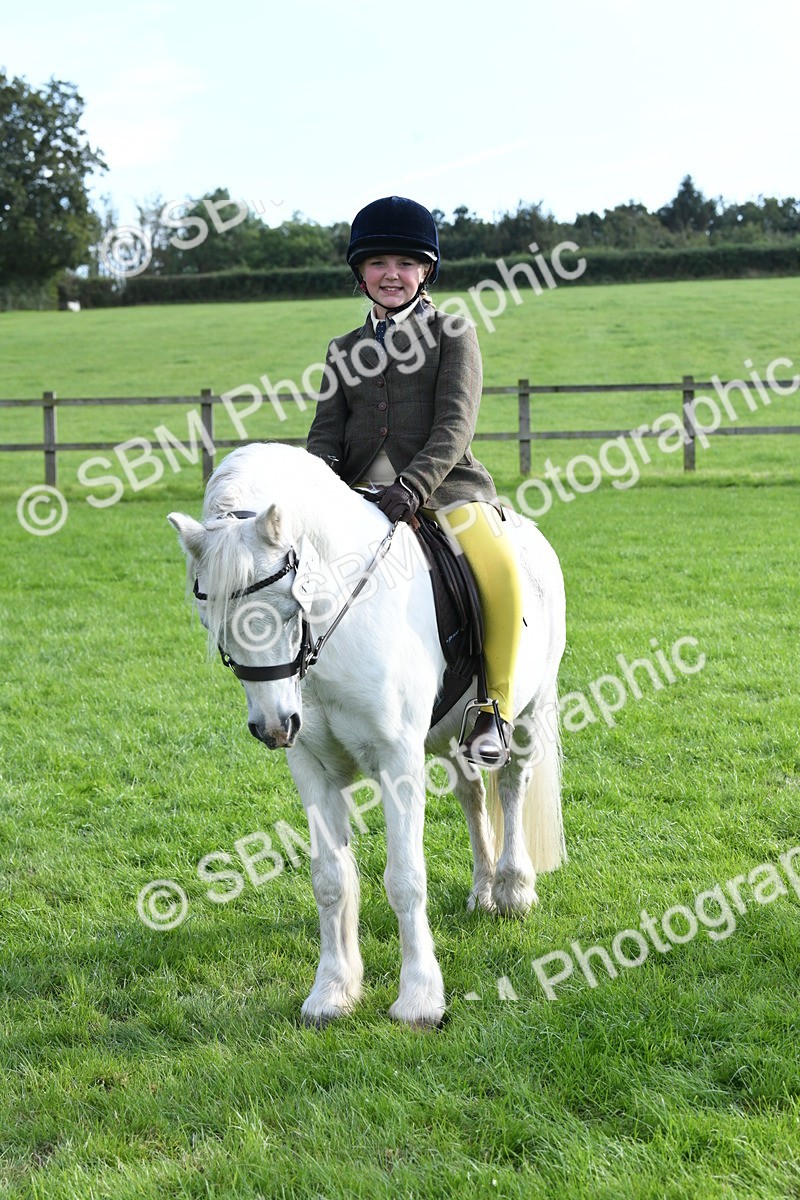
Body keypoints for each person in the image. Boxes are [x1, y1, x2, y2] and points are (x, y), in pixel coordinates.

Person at [306, 195, 523, 769]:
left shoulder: (453, 332)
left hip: (444, 491)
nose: (391, 274)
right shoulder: (343, 349)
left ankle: (492, 709)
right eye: (378, 264)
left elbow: (456, 423)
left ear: (425, 270)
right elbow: (326, 434)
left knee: (497, 565)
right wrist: (318, 486)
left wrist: (413, 485)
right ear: (361, 273)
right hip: (357, 499)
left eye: (405, 263)